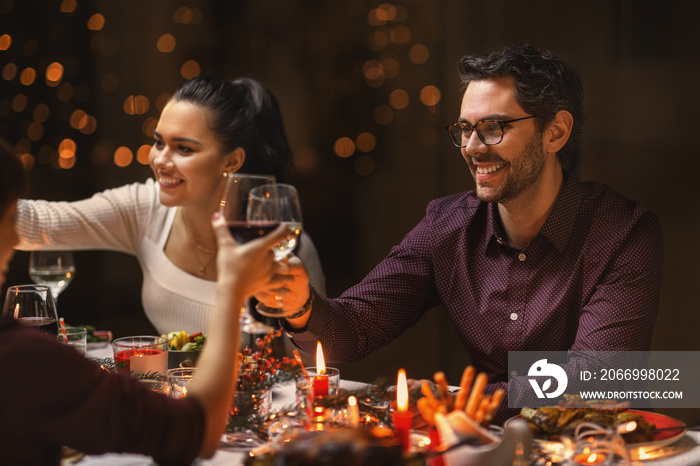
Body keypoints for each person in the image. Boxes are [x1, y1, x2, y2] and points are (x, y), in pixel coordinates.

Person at [263, 43, 663, 423]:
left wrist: (467, 402)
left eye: (493, 128)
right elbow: (353, 330)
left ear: (555, 132)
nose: (472, 147)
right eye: (465, 129)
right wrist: (300, 306)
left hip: (582, 448)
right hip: (479, 444)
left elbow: (595, 381)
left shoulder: (624, 232)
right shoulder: (447, 226)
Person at [0, 141, 291, 464]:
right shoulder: (21, 358)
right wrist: (232, 289)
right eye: (11, 218)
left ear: (232, 161)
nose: (16, 237)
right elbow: (195, 430)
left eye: (184, 148)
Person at [15, 74, 326, 335]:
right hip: (168, 403)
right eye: (159, 142)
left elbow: (315, 370)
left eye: (184, 149)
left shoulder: (283, 246)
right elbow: (40, 223)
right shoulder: (145, 208)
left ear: (231, 161)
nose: (160, 161)